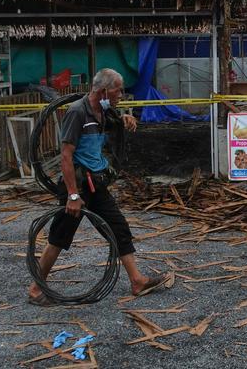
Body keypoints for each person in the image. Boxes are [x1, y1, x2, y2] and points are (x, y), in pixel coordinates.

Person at [27, 68, 170, 306]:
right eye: (118, 90)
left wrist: (124, 118)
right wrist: (73, 194)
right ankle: (35, 288)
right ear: (104, 91)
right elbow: (65, 155)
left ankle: (137, 280)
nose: (121, 94)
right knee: (59, 236)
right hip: (78, 186)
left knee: (119, 228)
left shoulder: (102, 111)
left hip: (97, 184)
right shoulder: (77, 112)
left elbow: (111, 126)